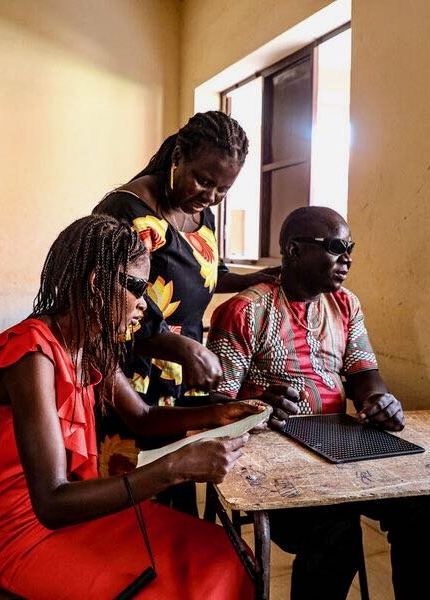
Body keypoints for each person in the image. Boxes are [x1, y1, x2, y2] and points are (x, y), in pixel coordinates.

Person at [0, 215, 258, 599]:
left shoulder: (87, 344)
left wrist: (220, 414)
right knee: (195, 584)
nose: (144, 305)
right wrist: (175, 468)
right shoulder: (32, 357)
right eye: (138, 289)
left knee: (233, 555)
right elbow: (50, 502)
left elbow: (142, 417)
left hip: (79, 513)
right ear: (98, 284)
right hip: (27, 539)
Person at [206, 206, 430, 600]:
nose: (347, 258)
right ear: (294, 250)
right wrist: (256, 405)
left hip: (338, 444)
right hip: (274, 458)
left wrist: (378, 400)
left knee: (424, 506)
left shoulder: (345, 304)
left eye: (349, 247)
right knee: (338, 534)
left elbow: (363, 373)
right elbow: (217, 405)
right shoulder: (244, 310)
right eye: (336, 247)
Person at [93, 110, 276, 512]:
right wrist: (183, 348)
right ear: (177, 156)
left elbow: (207, 275)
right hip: (130, 376)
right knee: (137, 492)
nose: (210, 196)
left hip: (179, 379)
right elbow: (107, 303)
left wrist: (259, 276)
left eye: (222, 190)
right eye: (203, 180)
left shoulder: (198, 211)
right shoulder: (128, 212)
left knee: (177, 489)